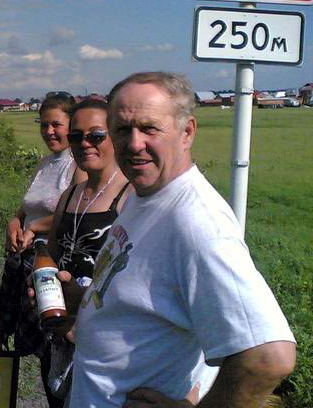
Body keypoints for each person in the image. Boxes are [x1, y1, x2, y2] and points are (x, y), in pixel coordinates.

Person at [60, 72, 295, 407]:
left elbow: (268, 357)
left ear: (187, 132)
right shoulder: (147, 196)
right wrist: (87, 301)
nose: (134, 143)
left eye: (149, 128)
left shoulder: (197, 223)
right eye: (123, 129)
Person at [0, 92, 85, 408]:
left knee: (54, 349)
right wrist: (15, 221)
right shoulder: (46, 162)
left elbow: (74, 213)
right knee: (39, 352)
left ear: (72, 125)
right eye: (44, 125)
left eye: (56, 125)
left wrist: (33, 228)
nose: (49, 132)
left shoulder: (78, 164)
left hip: (52, 263)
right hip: (26, 262)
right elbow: (26, 207)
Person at [43, 98, 130, 402]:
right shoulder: (70, 195)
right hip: (61, 331)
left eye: (96, 136)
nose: (85, 144)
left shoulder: (129, 196)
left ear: (115, 136)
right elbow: (52, 254)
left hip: (105, 338)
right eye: (76, 136)